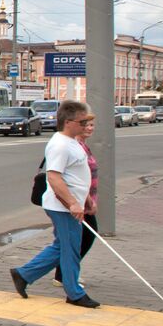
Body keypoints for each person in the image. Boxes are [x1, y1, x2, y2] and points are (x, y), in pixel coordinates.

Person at [10, 100, 100, 308]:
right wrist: (73, 204)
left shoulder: (72, 141)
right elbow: (54, 178)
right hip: (62, 206)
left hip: (71, 203)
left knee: (62, 246)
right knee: (71, 249)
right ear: (69, 122)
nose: (86, 125)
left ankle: (23, 274)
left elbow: (76, 175)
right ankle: (74, 293)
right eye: (83, 121)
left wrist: (85, 199)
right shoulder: (60, 145)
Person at [54, 113, 98, 285]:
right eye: (85, 124)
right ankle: (65, 274)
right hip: (76, 200)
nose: (89, 128)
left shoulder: (83, 146)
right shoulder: (71, 146)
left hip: (83, 199)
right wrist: (85, 200)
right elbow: (66, 176)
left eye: (92, 125)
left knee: (72, 239)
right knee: (81, 237)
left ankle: (64, 273)